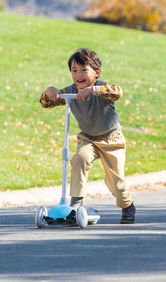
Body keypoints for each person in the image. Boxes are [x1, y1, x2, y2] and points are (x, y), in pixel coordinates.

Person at [39, 47, 136, 224]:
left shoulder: (102, 89)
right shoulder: (71, 91)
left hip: (111, 139)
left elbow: (117, 92)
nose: (79, 75)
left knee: (117, 183)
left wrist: (92, 91)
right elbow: (46, 103)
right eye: (74, 70)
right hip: (88, 139)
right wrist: (49, 91)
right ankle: (76, 203)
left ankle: (127, 206)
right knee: (79, 159)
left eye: (84, 70)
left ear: (97, 72)